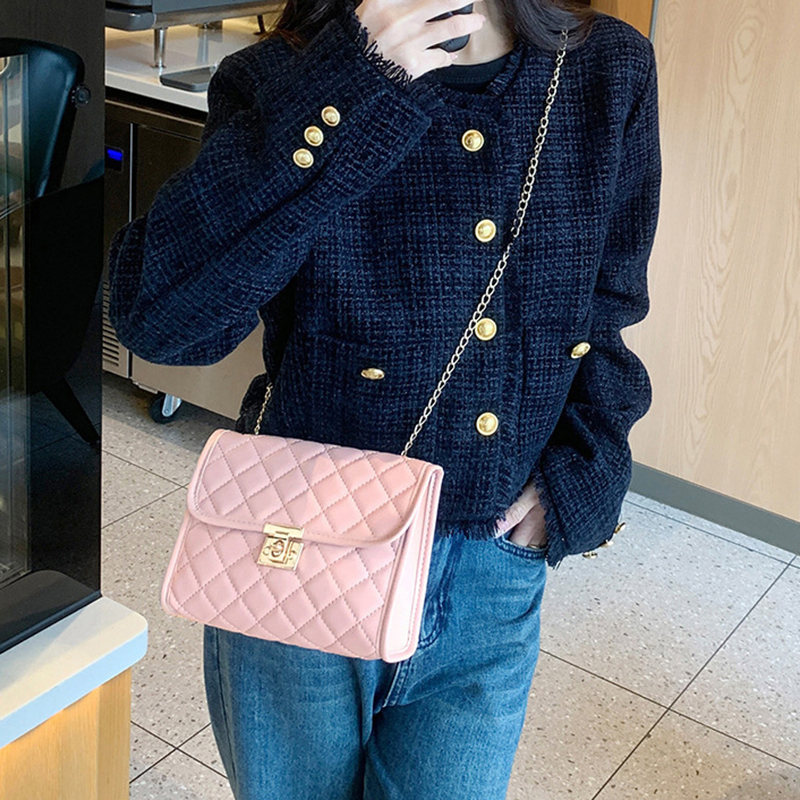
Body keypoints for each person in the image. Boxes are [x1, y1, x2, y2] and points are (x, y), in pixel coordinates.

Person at [107, 0, 661, 795]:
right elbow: (162, 321)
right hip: (298, 549)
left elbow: (609, 309)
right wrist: (352, 81)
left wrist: (584, 478)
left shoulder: (606, 70)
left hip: (492, 572)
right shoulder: (281, 76)